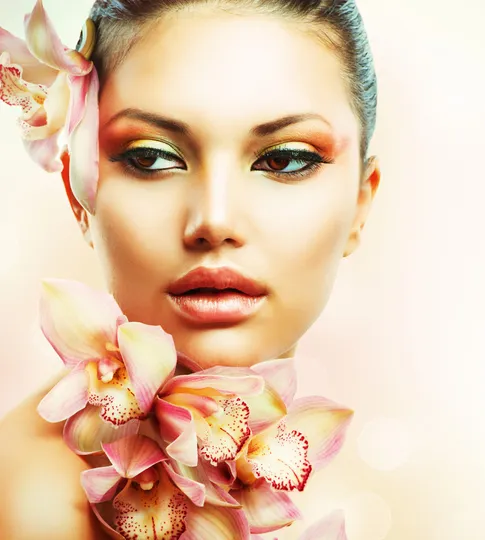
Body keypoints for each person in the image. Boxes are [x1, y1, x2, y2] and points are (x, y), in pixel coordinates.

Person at [0, 0, 380, 537]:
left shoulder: (326, 480)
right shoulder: (28, 494)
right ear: (79, 195)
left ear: (361, 205)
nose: (215, 220)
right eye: (152, 157)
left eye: (284, 159)